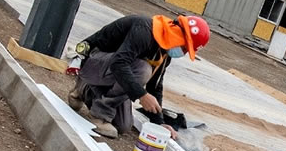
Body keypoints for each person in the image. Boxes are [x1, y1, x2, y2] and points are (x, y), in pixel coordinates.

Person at [68, 14, 210, 139]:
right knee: (143, 70)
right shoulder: (144, 29)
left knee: (123, 125)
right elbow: (119, 64)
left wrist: (159, 123)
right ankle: (99, 115)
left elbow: (155, 86)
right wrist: (141, 95)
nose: (183, 53)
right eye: (185, 48)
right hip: (92, 63)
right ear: (179, 34)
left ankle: (85, 90)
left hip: (107, 73)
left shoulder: (164, 51)